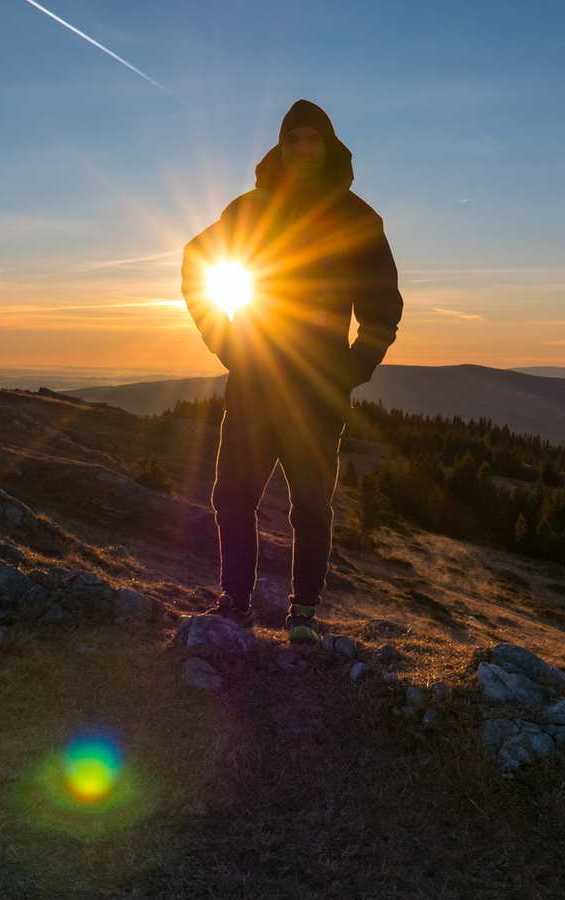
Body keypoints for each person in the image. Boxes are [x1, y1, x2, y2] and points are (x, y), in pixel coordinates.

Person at [180, 99, 403, 643]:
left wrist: (351, 370)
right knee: (232, 498)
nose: (302, 150)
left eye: (313, 140)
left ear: (329, 149)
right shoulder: (251, 208)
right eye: (293, 140)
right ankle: (235, 602)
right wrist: (228, 341)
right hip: (255, 381)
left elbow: (383, 308)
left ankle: (303, 613)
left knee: (310, 506)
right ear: (279, 148)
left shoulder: (358, 219)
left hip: (318, 393)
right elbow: (196, 262)